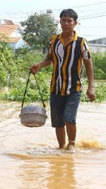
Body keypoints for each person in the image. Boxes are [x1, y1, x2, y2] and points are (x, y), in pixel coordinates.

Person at [30, 9, 95, 151]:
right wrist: (39, 65)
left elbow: (89, 65)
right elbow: (50, 58)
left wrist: (91, 87)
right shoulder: (54, 41)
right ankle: (61, 148)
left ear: (75, 23)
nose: (66, 23)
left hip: (74, 88)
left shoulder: (81, 43)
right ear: (60, 22)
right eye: (63, 20)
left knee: (69, 119)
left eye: (69, 21)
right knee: (58, 122)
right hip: (56, 88)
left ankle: (71, 144)